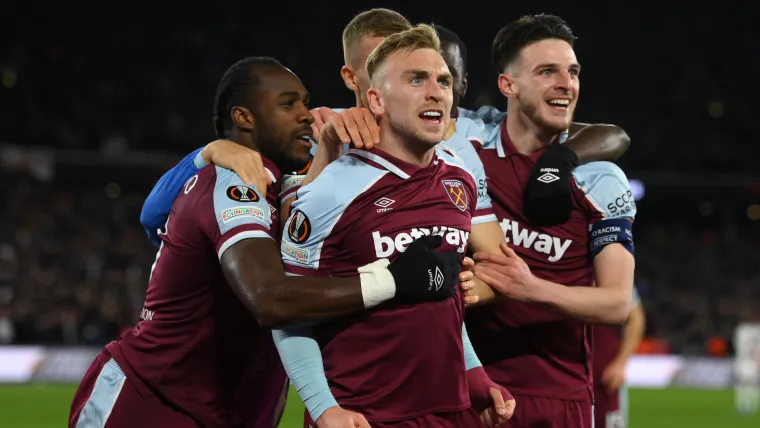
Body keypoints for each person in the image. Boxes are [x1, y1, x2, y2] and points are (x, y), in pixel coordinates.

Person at [68, 57, 465, 428]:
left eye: (306, 103)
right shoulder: (235, 180)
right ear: (244, 117)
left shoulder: (282, 187)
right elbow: (270, 298)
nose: (305, 115)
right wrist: (393, 282)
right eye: (287, 104)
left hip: (234, 406)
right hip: (151, 403)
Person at [139, 9, 631, 244]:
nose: (419, 85)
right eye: (393, 68)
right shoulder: (315, 136)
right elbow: (156, 216)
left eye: (423, 71)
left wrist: (558, 161)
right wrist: (210, 152)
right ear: (358, 80)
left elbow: (607, 132)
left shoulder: (461, 141)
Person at [274, 24, 512, 428]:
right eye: (416, 79)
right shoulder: (330, 190)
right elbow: (288, 311)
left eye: (443, 81)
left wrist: (475, 376)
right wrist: (322, 407)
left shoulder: (460, 182)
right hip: (362, 418)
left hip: (448, 413)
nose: (435, 91)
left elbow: (442, 297)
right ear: (376, 99)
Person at [456, 14, 637, 428]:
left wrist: (530, 288)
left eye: (572, 72)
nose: (566, 83)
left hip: (556, 399)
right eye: (547, 72)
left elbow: (616, 302)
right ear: (508, 85)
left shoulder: (601, 178)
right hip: (464, 388)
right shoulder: (466, 141)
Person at [593, 287, 646, 428]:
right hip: (564, 373)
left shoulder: (609, 269)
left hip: (604, 375)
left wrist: (620, 363)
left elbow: (636, 319)